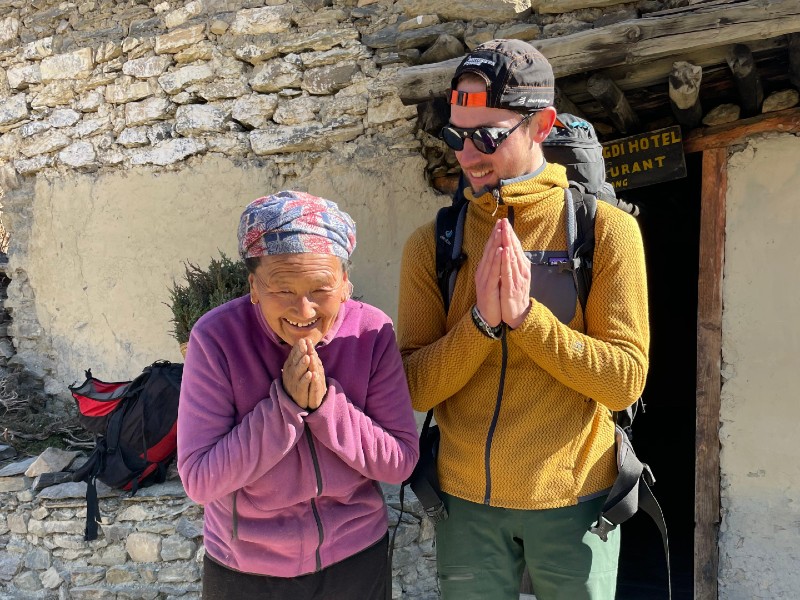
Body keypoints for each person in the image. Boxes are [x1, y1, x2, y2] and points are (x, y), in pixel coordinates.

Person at [397, 40, 649, 600]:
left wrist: (527, 321)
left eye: (489, 135)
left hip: (576, 500)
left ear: (543, 125)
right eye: (458, 134)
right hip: (464, 505)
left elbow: (624, 380)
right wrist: (482, 325)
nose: (467, 154)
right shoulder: (432, 245)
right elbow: (413, 386)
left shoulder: (605, 232)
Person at [178, 190, 419, 600]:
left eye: (320, 289)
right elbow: (201, 480)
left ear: (345, 283)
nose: (304, 310)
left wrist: (326, 406)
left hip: (356, 556)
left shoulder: (371, 333)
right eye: (283, 289)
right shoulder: (217, 338)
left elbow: (399, 462)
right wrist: (285, 407)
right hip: (246, 566)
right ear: (253, 286)